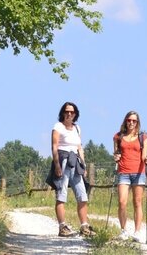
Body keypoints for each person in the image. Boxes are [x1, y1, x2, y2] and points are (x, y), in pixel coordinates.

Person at [49, 101, 95, 237]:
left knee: (82, 195)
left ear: (76, 114)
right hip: (63, 161)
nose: (69, 114)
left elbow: (79, 147)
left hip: (76, 162)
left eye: (72, 112)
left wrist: (83, 165)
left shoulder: (77, 128)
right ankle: (62, 226)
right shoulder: (58, 126)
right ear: (63, 113)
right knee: (61, 195)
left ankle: (84, 226)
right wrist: (57, 165)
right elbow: (54, 146)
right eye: (67, 111)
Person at [113, 110, 147, 242]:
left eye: (134, 121)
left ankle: (137, 232)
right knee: (122, 202)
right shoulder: (118, 137)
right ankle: (123, 230)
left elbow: (144, 155)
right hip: (123, 172)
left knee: (137, 202)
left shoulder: (143, 137)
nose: (131, 123)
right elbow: (116, 154)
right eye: (129, 120)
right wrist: (116, 157)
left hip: (139, 172)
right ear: (125, 121)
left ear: (137, 123)